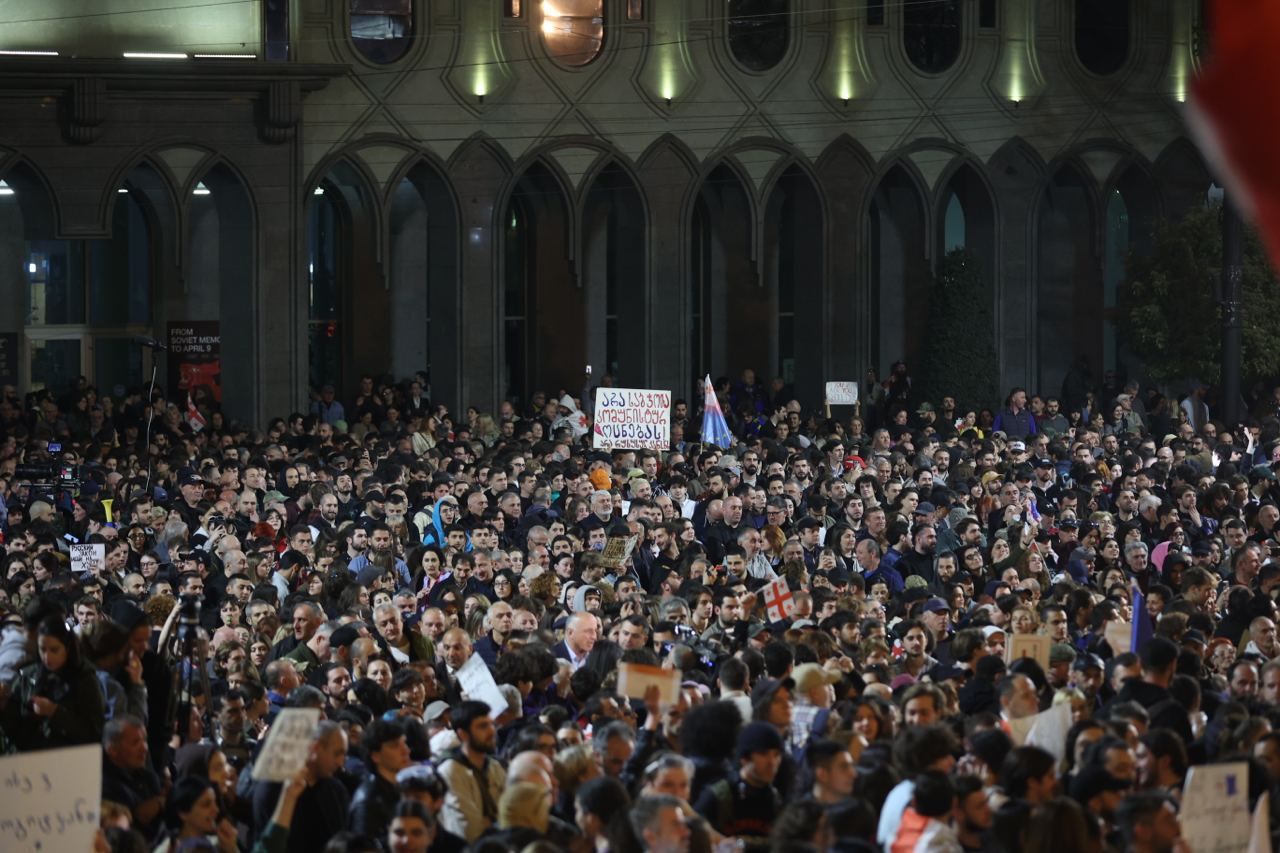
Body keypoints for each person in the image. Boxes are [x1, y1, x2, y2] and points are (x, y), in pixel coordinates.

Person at [437, 700, 507, 841]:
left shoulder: (494, 766)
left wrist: (492, 822)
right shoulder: (450, 771)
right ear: (463, 734)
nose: (491, 731)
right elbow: (469, 828)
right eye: (483, 726)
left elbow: (512, 811)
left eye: (491, 724)